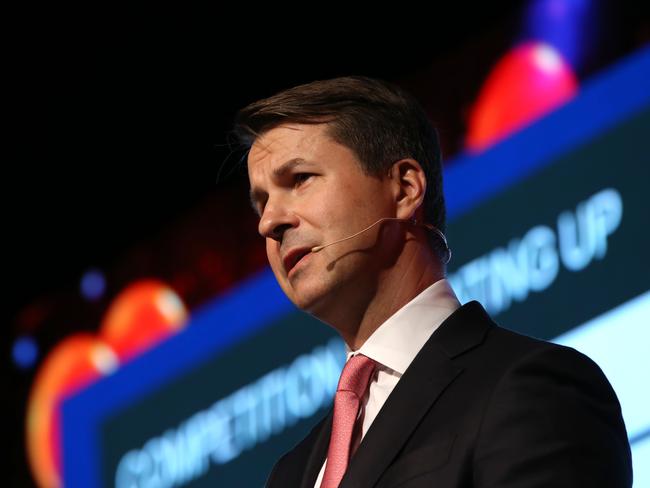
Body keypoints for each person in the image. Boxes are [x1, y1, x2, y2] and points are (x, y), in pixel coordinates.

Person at [233, 76, 632, 487]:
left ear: (405, 188)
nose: (269, 222)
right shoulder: (291, 473)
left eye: (300, 179)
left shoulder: (530, 387)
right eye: (261, 202)